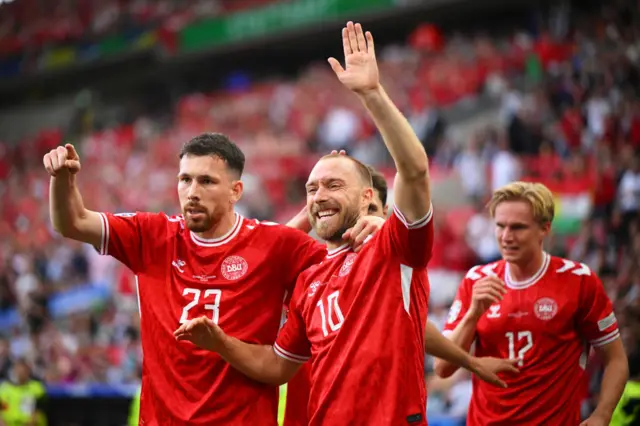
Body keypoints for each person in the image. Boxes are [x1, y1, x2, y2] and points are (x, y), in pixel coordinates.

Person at [175, 22, 516, 425]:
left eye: (334, 184)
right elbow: (276, 367)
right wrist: (220, 342)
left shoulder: (393, 247)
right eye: (312, 188)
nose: (319, 195)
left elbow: (414, 170)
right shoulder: (308, 276)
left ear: (369, 196)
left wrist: (372, 94)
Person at [43, 134, 381, 424]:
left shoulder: (277, 245)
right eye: (184, 179)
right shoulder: (152, 235)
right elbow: (71, 222)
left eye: (206, 181)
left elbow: (353, 263)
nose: (192, 191)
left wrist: (367, 210)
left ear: (236, 191)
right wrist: (62, 179)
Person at [281, 165, 519, 426]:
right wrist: (314, 203)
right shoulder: (313, 266)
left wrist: (469, 362)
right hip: (308, 412)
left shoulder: (390, 258)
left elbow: (410, 324)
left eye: (372, 212)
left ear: (385, 213)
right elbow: (272, 252)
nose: (363, 222)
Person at [435, 181, 629, 425]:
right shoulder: (476, 280)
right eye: (500, 226)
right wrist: (473, 314)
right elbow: (442, 367)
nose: (506, 236)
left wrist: (602, 414)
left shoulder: (579, 281)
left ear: (544, 229)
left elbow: (616, 359)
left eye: (518, 227)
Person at [0, 359, 47, 426]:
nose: (20, 372)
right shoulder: (4, 389)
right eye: (18, 370)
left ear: (28, 371)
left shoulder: (37, 388)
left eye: (24, 370)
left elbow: (39, 412)